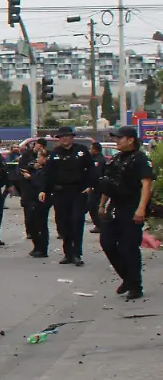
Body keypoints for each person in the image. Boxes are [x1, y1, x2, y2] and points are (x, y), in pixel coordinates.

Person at [98, 126, 155, 300]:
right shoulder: (116, 159)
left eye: (119, 138)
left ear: (130, 140)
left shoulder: (139, 159)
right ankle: (127, 278)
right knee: (107, 243)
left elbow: (147, 184)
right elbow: (108, 184)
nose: (116, 141)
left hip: (131, 207)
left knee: (128, 247)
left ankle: (135, 285)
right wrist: (102, 205)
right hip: (114, 206)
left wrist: (141, 209)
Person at [43, 126, 95, 266]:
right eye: (61, 136)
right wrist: (44, 190)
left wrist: (90, 186)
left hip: (78, 192)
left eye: (67, 136)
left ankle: (77, 254)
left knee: (77, 222)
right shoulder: (55, 153)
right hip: (60, 193)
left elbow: (91, 169)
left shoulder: (81, 151)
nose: (64, 139)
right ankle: (68, 254)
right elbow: (48, 173)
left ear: (72, 137)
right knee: (63, 224)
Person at [23, 147, 51, 258]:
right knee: (32, 223)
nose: (37, 159)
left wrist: (30, 178)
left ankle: (42, 248)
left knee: (40, 224)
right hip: (32, 198)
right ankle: (37, 246)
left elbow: (41, 183)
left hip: (41, 200)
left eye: (39, 157)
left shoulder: (47, 170)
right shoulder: (37, 168)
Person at [17, 139, 44, 239]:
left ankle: (39, 230)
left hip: (39, 185)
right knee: (28, 210)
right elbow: (21, 168)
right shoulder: (27, 154)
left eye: (41, 146)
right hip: (27, 185)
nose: (39, 148)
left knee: (39, 211)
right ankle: (30, 231)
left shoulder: (45, 155)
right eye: (38, 145)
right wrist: (28, 171)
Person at [88, 141, 106, 234]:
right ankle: (99, 224)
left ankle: (101, 225)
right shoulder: (92, 158)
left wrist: (91, 186)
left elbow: (96, 174)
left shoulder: (99, 160)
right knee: (91, 206)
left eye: (91, 148)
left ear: (95, 150)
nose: (90, 150)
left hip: (97, 187)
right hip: (94, 186)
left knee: (93, 206)